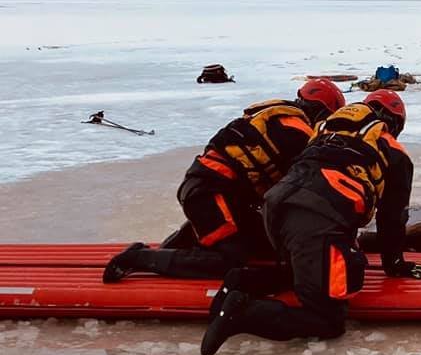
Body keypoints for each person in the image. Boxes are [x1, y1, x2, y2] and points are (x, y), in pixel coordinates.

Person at [200, 89, 421, 355]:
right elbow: (392, 218)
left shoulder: (323, 133)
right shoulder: (393, 152)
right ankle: (242, 312)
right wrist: (395, 265)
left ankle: (243, 280)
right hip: (315, 218)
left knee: (316, 271)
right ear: (396, 123)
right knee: (329, 319)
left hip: (276, 209)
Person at [102, 79, 346, 282]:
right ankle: (138, 258)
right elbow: (296, 192)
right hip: (209, 195)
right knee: (229, 261)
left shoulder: (278, 119)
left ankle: (182, 244)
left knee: (256, 242)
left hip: (207, 191)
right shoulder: (299, 134)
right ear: (323, 113)